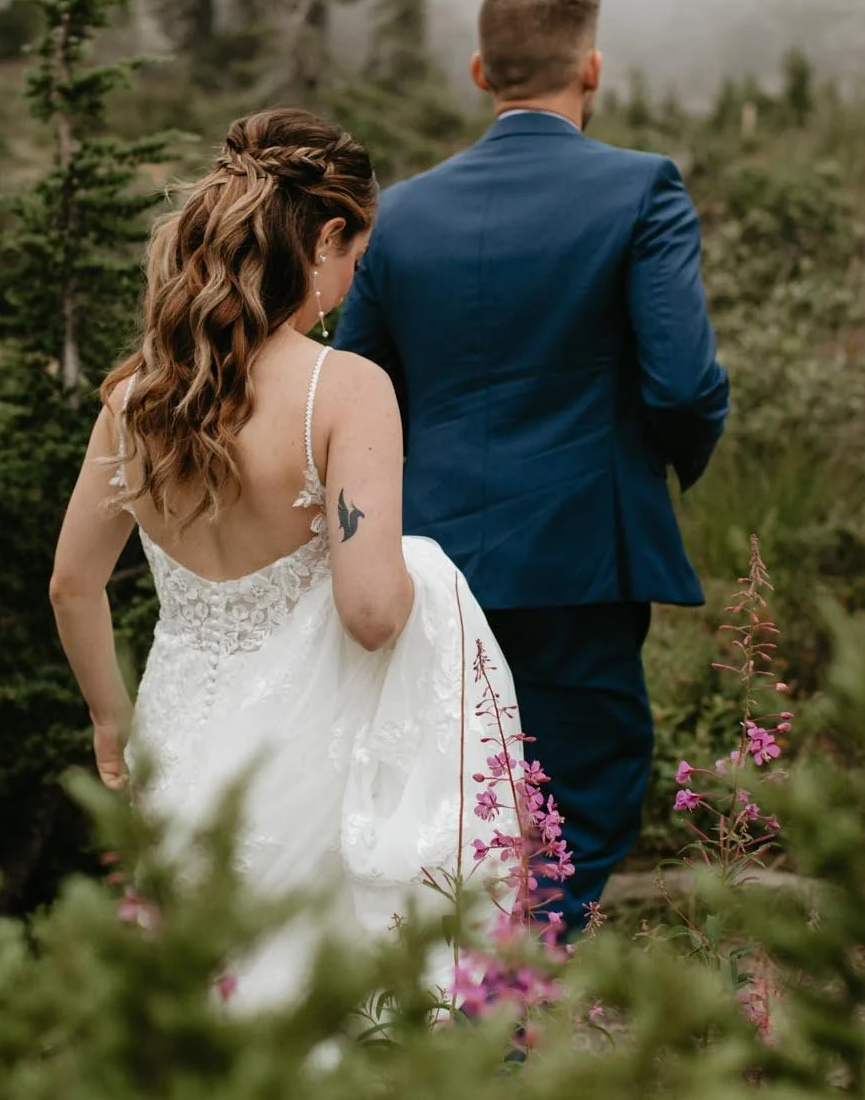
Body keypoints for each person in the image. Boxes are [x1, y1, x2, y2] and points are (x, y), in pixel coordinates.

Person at [49, 108, 526, 1011]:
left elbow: (73, 584)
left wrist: (111, 721)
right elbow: (372, 612)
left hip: (175, 738)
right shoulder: (346, 389)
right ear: (325, 238)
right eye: (355, 257)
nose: (352, 281)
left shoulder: (135, 399)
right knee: (310, 1004)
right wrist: (425, 570)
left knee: (199, 994)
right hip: (308, 756)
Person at [335, 0, 731, 932]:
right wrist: (659, 465)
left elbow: (352, 386)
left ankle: (456, 989)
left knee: (447, 790)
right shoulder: (641, 189)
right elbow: (683, 385)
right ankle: (515, 993)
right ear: (590, 67)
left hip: (425, 560)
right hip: (580, 554)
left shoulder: (400, 215)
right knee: (584, 789)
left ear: (480, 70)